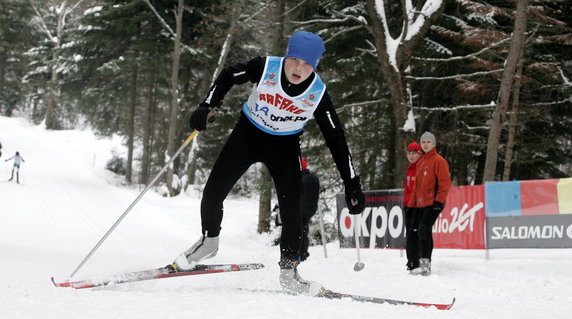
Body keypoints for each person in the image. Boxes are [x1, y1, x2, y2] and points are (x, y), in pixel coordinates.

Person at [172, 31, 366, 295]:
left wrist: (352, 183)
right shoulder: (265, 67)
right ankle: (209, 242)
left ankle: (289, 272)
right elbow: (230, 75)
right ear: (286, 56)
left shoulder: (318, 93)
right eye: (295, 60)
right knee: (213, 193)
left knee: (292, 211)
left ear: (315, 66)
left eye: (307, 64)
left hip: (285, 146)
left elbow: (336, 138)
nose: (299, 68)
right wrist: (208, 105)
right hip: (247, 134)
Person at [407, 132, 451, 276]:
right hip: (419, 205)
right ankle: (417, 263)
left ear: (434, 144)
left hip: (432, 203)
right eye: (423, 142)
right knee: (414, 232)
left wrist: (439, 201)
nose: (425, 144)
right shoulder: (421, 163)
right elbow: (416, 188)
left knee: (423, 230)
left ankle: (426, 265)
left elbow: (445, 184)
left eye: (428, 142)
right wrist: (411, 206)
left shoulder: (439, 161)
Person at [403, 141, 423, 271]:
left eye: (414, 153)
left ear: (420, 154)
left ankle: (415, 261)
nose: (411, 156)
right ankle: (411, 260)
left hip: (417, 206)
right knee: (409, 234)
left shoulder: (421, 167)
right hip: (408, 205)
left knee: (414, 235)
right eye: (409, 153)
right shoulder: (410, 168)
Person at [299, 158, 320, 262]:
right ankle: (303, 252)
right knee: (304, 230)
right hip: (312, 208)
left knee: (299, 231)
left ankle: (300, 253)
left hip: (300, 208)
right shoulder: (313, 178)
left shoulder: (299, 178)